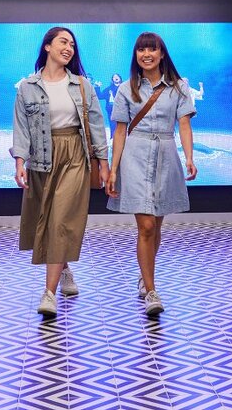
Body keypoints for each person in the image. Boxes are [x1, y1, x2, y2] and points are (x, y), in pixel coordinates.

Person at [10, 27, 110, 318]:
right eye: (63, 42)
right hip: (41, 158)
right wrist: (19, 161)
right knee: (46, 218)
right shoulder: (27, 87)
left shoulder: (81, 85)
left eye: (72, 44)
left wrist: (103, 162)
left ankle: (49, 293)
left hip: (75, 155)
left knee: (61, 219)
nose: (69, 48)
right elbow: (21, 127)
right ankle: (64, 268)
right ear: (47, 47)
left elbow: (96, 123)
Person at [106, 32, 197, 316]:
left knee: (156, 226)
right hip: (134, 155)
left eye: (152, 49)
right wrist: (112, 168)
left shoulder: (179, 87)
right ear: (136, 55)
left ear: (161, 54)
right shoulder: (126, 89)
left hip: (166, 155)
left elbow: (184, 124)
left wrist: (190, 157)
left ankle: (145, 275)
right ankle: (151, 289)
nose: (146, 54)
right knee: (145, 226)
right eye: (141, 50)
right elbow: (120, 131)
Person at [101, 73, 123, 138]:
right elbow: (100, 96)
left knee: (122, 125)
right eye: (114, 77)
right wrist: (97, 87)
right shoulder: (109, 89)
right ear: (112, 79)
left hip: (123, 109)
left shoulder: (125, 87)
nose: (116, 77)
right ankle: (112, 138)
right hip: (111, 109)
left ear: (120, 78)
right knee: (112, 124)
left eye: (117, 76)